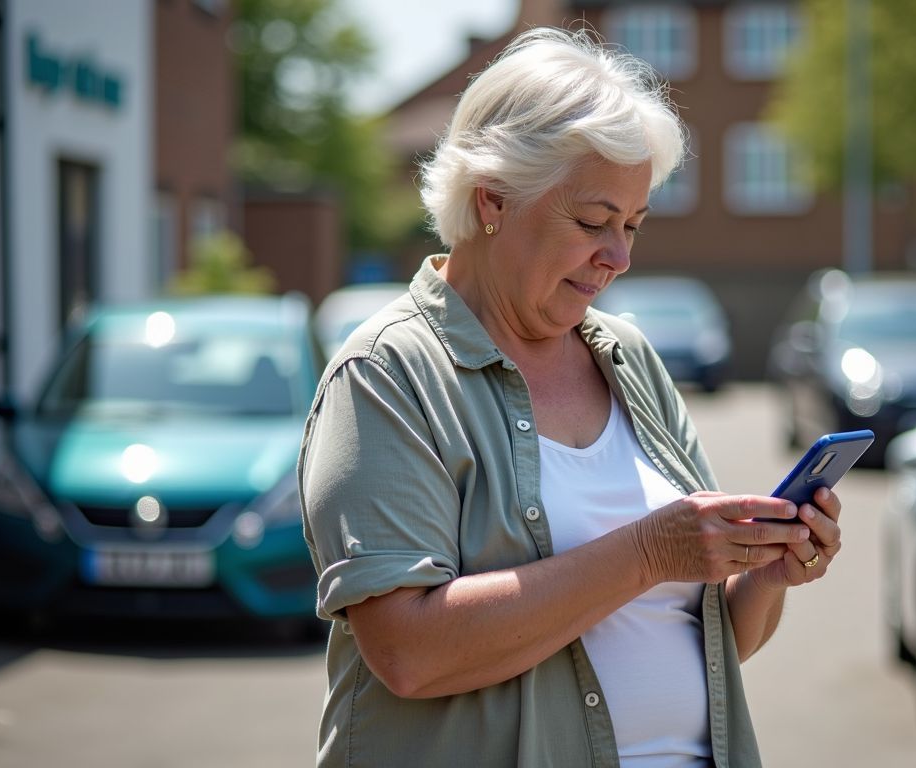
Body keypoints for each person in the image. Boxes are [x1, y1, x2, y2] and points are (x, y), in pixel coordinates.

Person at [297, 27, 844, 768]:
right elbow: (409, 652)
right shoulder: (386, 373)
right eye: (592, 222)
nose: (617, 257)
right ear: (492, 201)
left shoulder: (630, 359)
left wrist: (767, 572)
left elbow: (712, 645)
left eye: (632, 225)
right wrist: (650, 552)